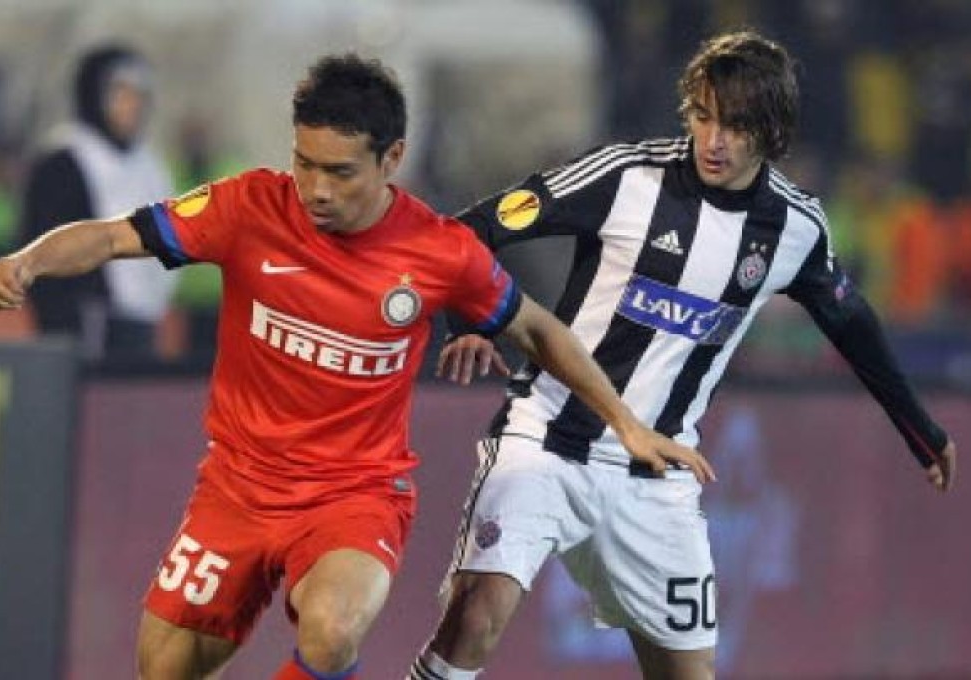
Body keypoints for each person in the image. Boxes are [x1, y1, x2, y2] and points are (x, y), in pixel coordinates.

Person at [0, 54, 714, 680]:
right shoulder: (247, 207)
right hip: (235, 488)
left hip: (353, 496)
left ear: (392, 159)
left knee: (331, 630)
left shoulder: (440, 252)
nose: (317, 189)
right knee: (160, 666)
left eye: (340, 171)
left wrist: (625, 423)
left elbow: (539, 330)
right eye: (304, 163)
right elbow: (114, 238)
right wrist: (29, 258)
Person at [408, 30, 957, 680]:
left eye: (734, 125)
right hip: (546, 439)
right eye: (703, 116)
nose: (713, 140)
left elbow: (851, 322)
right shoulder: (624, 176)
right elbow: (472, 229)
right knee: (476, 613)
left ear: (772, 132)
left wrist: (920, 430)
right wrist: (468, 314)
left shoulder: (793, 228)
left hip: (656, 471)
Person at [18, 43, 176, 362]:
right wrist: (66, 321)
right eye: (121, 92)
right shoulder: (64, 161)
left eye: (140, 95)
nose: (132, 105)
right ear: (95, 94)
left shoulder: (151, 165)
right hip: (82, 329)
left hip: (140, 324)